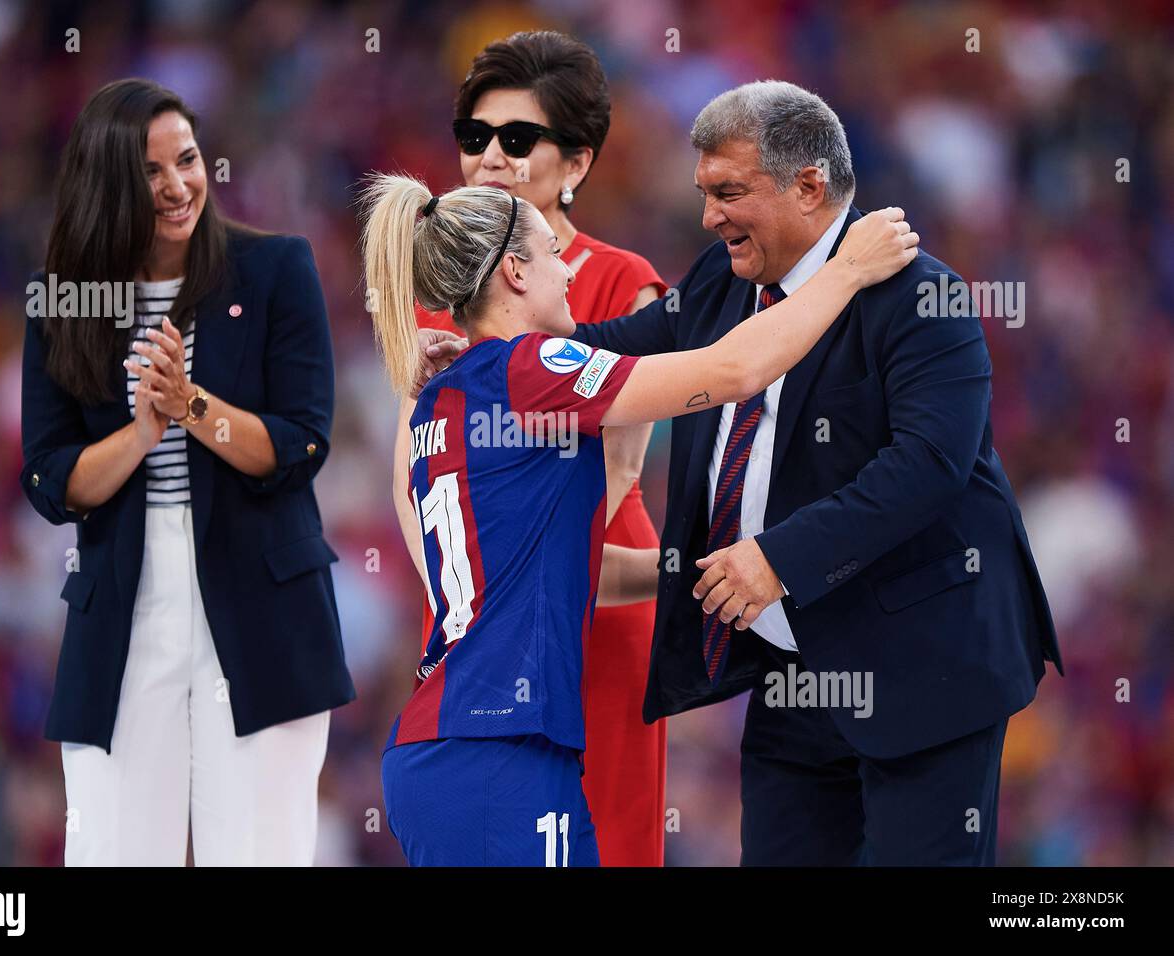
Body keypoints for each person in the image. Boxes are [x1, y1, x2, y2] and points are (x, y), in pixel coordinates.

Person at [424, 79, 1064, 866]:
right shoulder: (724, 279)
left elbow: (929, 466)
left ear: (808, 185)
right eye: (703, 192)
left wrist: (777, 559)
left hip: (925, 668)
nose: (708, 216)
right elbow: (618, 348)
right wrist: (493, 359)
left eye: (728, 191)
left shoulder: (922, 295)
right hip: (791, 671)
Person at [361, 170, 917, 866]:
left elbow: (565, 573)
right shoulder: (529, 368)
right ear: (512, 271)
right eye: (552, 255)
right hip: (497, 748)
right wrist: (846, 270)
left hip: (454, 746)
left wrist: (700, 568)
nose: (568, 271)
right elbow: (735, 371)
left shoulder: (444, 399)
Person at [20, 78, 354, 866]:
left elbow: (304, 442)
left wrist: (191, 405)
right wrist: (142, 432)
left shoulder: (275, 269)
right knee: (111, 852)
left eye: (189, 160)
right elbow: (49, 479)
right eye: (150, 171)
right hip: (124, 612)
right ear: (107, 184)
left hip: (263, 607)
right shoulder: (62, 302)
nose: (178, 186)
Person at [391, 30, 669, 865]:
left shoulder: (625, 279)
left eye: (519, 140)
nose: (490, 159)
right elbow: (412, 479)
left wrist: (512, 590)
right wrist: (462, 607)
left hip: (597, 598)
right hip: (485, 623)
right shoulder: (441, 294)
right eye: (475, 138)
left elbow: (618, 470)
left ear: (577, 164)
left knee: (611, 836)